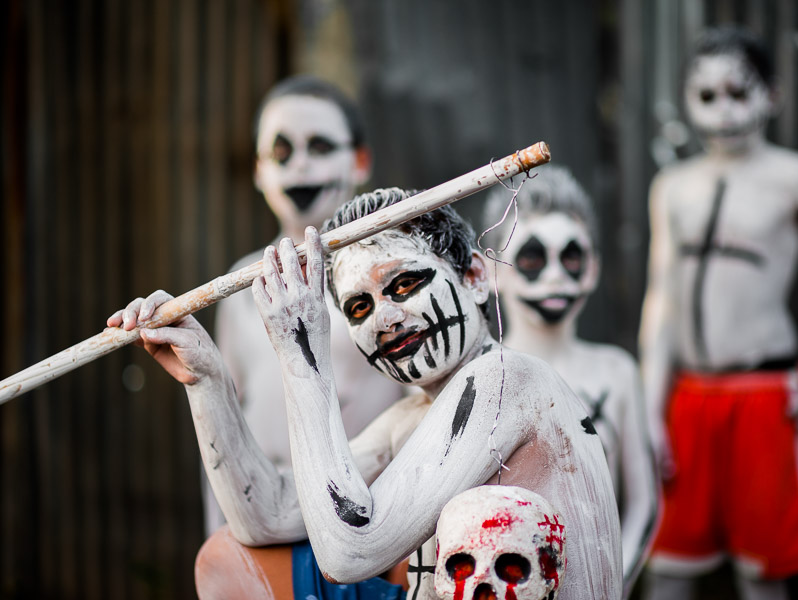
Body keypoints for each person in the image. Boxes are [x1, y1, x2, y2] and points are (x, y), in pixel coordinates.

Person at [108, 188, 623, 598]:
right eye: (358, 308)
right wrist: (208, 381)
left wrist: (302, 353)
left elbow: (348, 553)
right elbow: (269, 516)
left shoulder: (508, 380)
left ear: (473, 276)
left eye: (403, 285)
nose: (386, 319)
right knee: (226, 560)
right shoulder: (415, 414)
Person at [638, 26, 798, 600]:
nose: (724, 111)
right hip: (690, 398)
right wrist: (651, 408)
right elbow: (663, 299)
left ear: (771, 96)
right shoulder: (672, 187)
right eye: (707, 96)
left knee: (763, 576)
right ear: (686, 99)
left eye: (739, 92)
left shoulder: (793, 177)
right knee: (668, 571)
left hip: (766, 398)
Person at [209, 76, 403, 533]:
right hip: (262, 522)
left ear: (359, 162)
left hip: (370, 520)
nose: (300, 167)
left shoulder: (393, 278)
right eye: (281, 152)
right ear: (259, 171)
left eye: (319, 147)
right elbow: (223, 432)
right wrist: (220, 534)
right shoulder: (238, 288)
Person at [482, 165, 658, 597]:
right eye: (532, 259)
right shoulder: (475, 375)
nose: (555, 276)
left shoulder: (615, 373)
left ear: (593, 268)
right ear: (492, 271)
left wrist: (610, 582)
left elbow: (644, 506)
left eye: (572, 257)